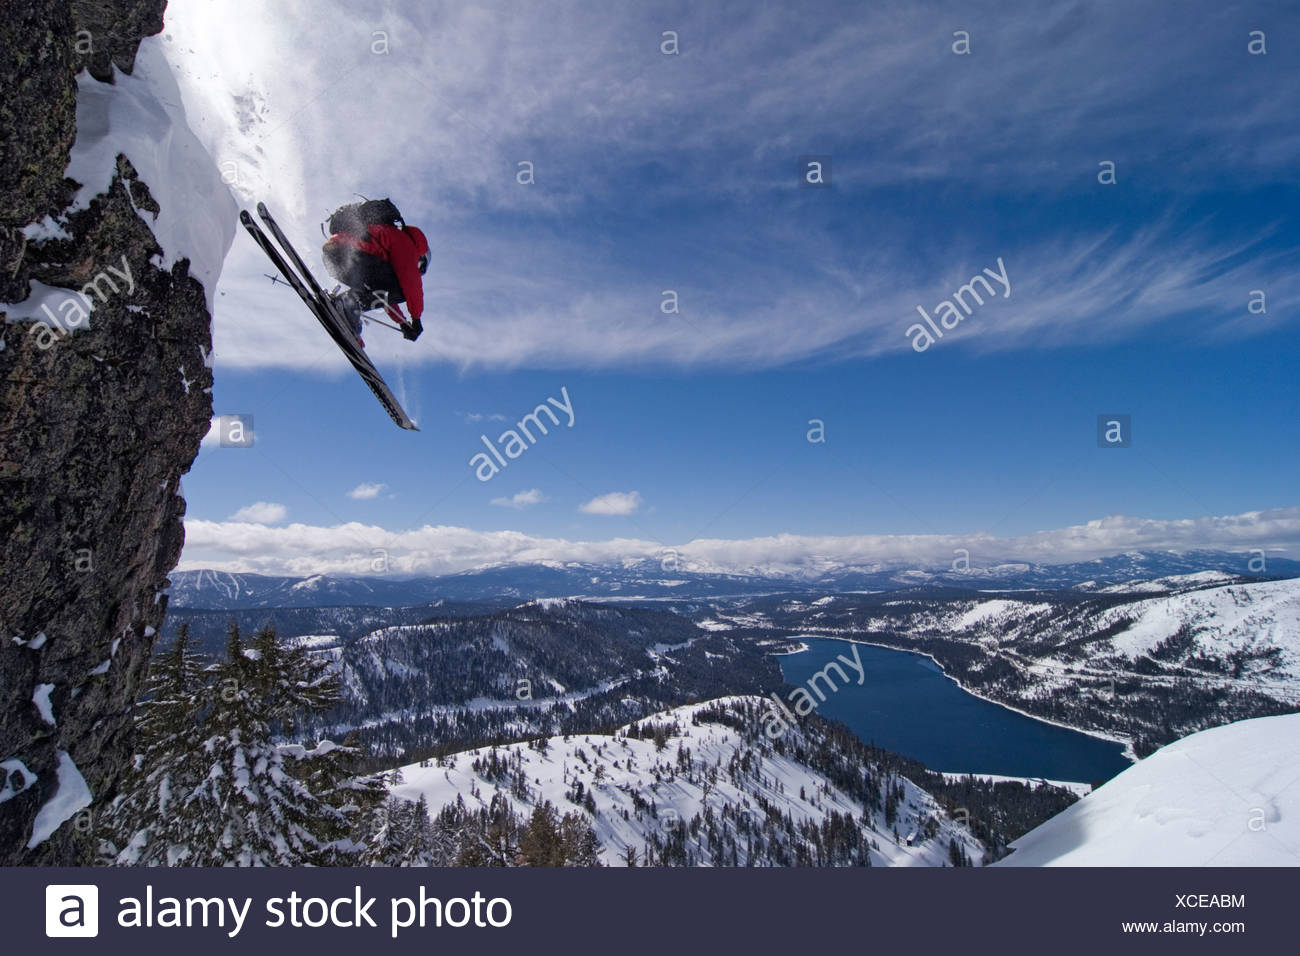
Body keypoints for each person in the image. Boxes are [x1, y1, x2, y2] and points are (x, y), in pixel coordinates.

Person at [321, 212, 429, 346]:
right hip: (350, 252)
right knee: (403, 290)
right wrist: (416, 319)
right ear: (421, 256)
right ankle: (347, 306)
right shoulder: (406, 243)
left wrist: (402, 322)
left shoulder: (390, 237)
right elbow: (411, 283)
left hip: (334, 255)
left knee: (379, 287)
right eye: (420, 267)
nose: (418, 270)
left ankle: (343, 305)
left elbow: (383, 294)